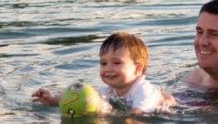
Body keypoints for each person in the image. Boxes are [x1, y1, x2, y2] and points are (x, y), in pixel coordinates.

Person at [32, 32, 176, 114]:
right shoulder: (108, 90)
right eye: (103, 63)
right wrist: (52, 100)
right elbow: (83, 97)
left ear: (138, 68)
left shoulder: (144, 90)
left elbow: (136, 117)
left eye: (116, 62)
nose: (108, 68)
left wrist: (104, 115)